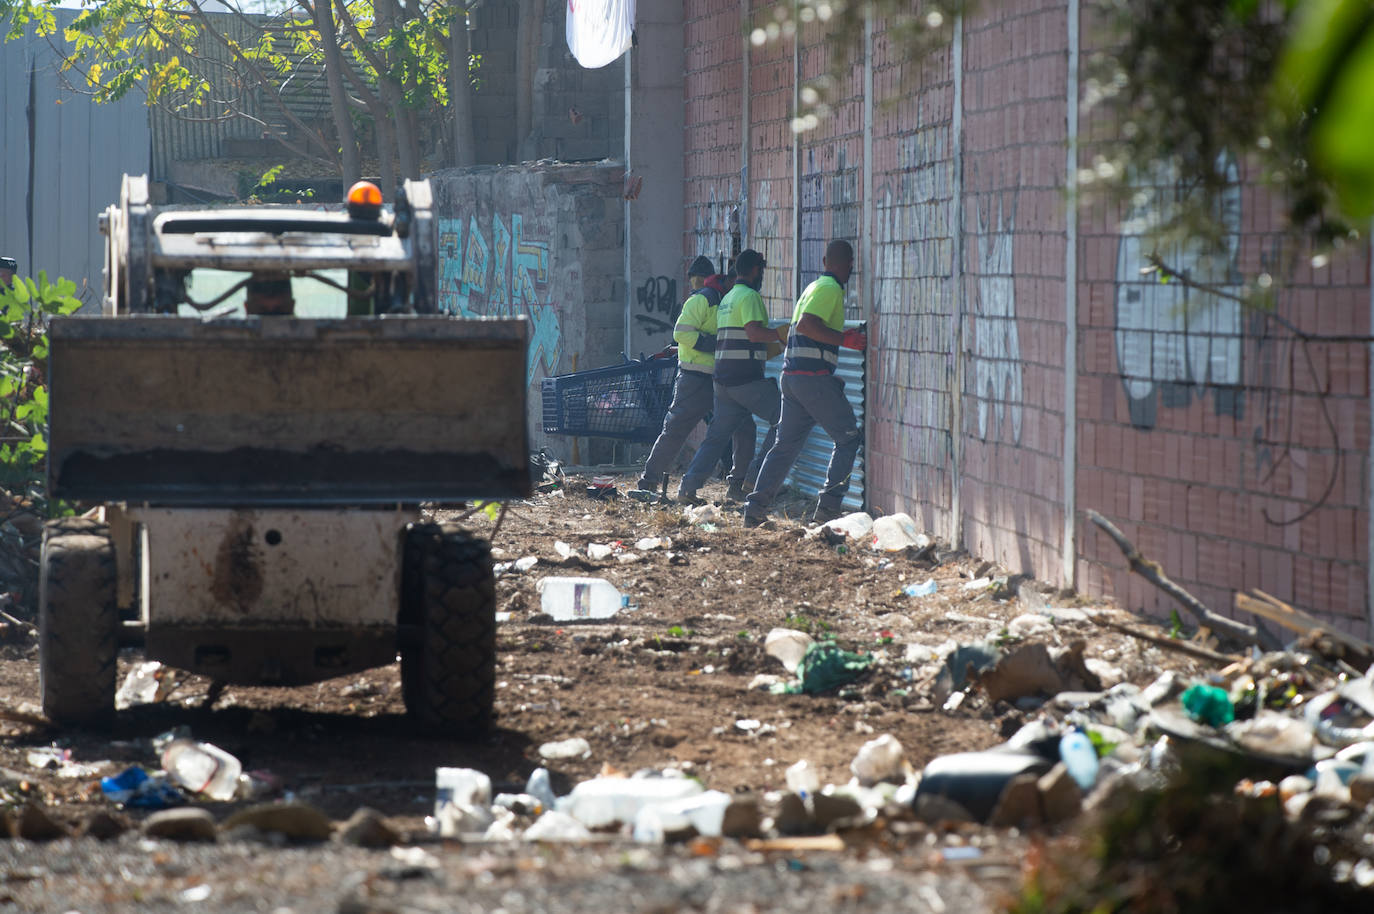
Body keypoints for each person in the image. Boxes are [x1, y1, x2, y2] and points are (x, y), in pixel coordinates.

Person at [743, 240, 867, 527]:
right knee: (848, 438)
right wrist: (846, 339)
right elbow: (807, 326)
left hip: (793, 378)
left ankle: (754, 511)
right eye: (850, 265)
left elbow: (801, 331)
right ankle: (828, 510)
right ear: (848, 264)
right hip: (812, 380)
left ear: (824, 261)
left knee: (784, 446)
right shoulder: (830, 289)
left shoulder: (812, 288)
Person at [676, 248, 789, 504]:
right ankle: (754, 479)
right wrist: (781, 335)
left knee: (720, 436)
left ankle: (690, 488)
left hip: (723, 381)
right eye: (762, 270)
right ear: (755, 271)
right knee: (784, 418)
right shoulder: (749, 296)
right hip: (745, 379)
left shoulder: (727, 298)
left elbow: (738, 338)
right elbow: (753, 333)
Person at [635, 262, 752, 495]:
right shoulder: (703, 300)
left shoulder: (726, 301)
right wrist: (713, 344)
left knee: (742, 427)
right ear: (729, 281)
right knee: (677, 429)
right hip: (695, 378)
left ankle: (738, 484)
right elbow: (681, 333)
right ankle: (649, 482)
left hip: (720, 377)